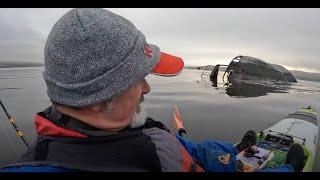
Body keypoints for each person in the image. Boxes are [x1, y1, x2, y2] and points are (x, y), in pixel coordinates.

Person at [0, 8, 302, 172]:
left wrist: (232, 152)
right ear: (97, 98)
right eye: (137, 78)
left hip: (198, 154)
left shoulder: (117, 124)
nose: (146, 87)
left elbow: (188, 151)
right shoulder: (149, 152)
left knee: (203, 147)